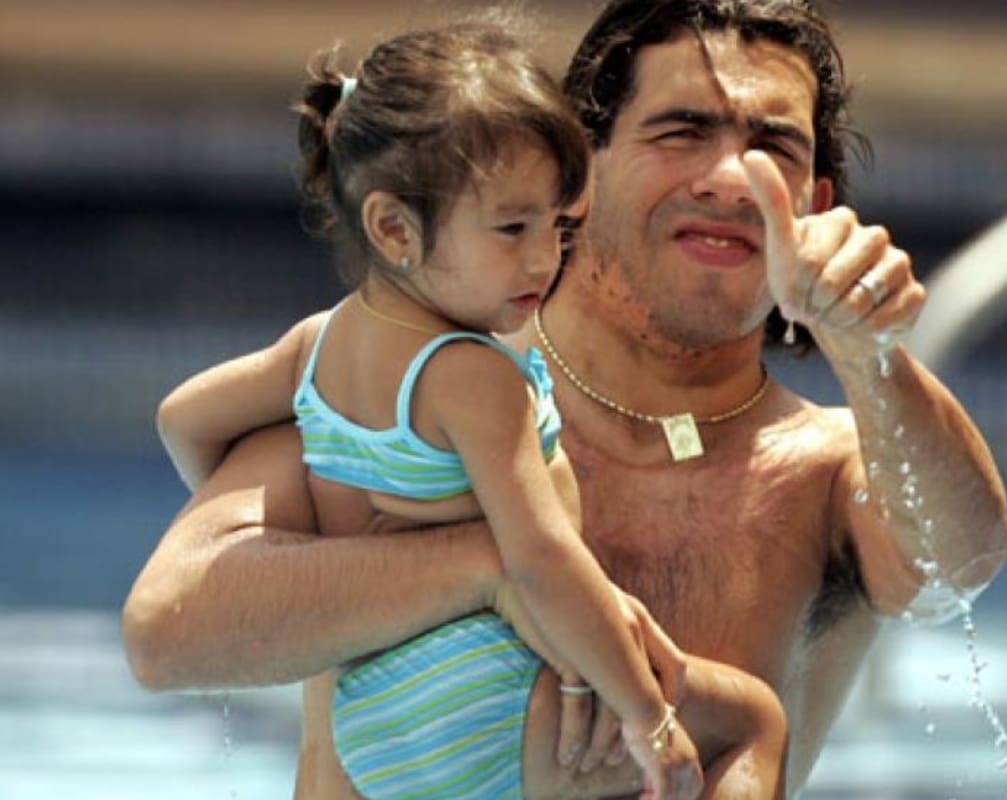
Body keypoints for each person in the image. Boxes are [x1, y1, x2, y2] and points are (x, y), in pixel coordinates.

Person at [123, 1, 1007, 797]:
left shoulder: (831, 466)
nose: (731, 179)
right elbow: (168, 631)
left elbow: (955, 569)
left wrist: (870, 356)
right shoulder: (406, 375)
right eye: (680, 132)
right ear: (577, 177)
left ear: (815, 203)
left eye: (773, 148)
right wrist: (492, 567)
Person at [151, 21, 789, 800]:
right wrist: (646, 717)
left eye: (558, 228)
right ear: (393, 228)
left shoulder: (315, 347)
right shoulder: (470, 378)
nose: (542, 260)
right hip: (484, 701)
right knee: (753, 720)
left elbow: (182, 420)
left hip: (371, 718)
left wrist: (305, 501)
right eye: (512, 228)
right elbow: (540, 560)